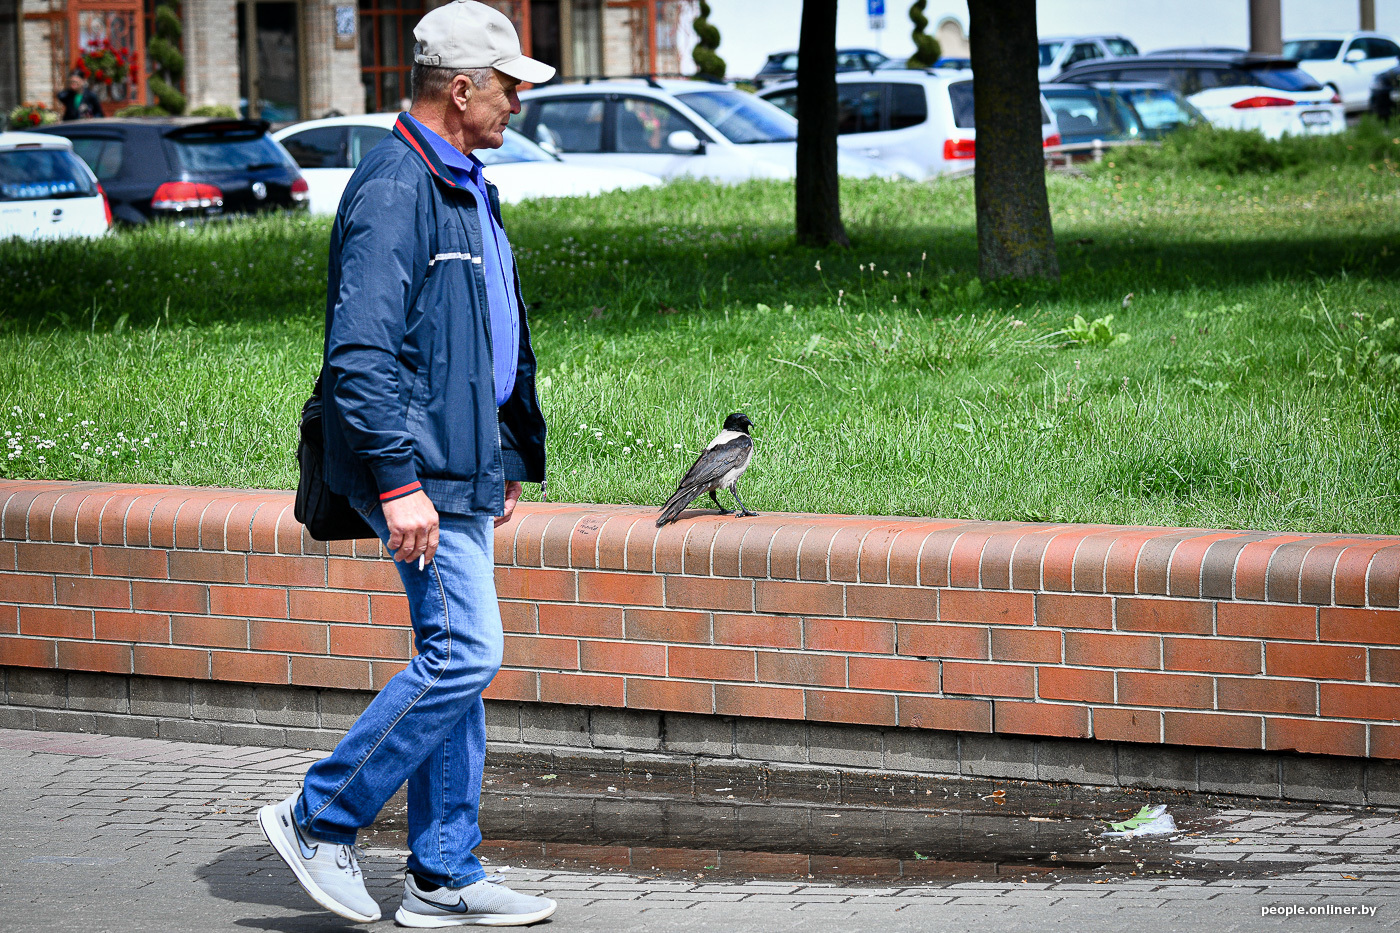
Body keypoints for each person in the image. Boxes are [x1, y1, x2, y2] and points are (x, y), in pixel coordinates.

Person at [256, 1, 555, 926]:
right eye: (508, 87)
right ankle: (320, 817)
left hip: (461, 467)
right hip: (417, 473)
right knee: (467, 652)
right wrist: (397, 482)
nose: (518, 104)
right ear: (460, 89)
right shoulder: (397, 186)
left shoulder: (464, 181)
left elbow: (480, 336)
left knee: (452, 662)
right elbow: (362, 353)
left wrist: (504, 448)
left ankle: (442, 873)